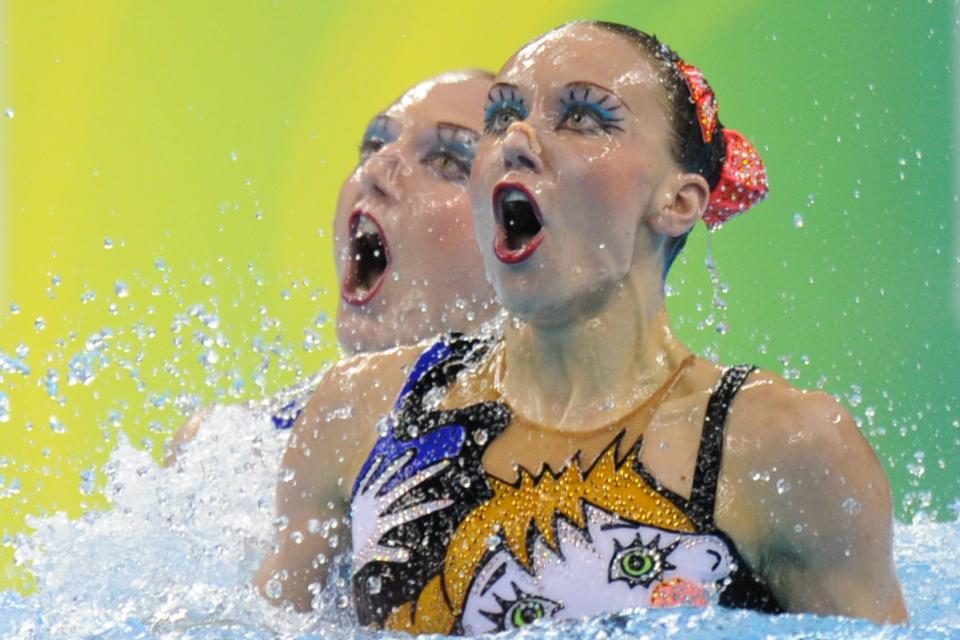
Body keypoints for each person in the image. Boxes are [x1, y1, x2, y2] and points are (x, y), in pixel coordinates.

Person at [258, 22, 907, 632]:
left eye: (583, 117)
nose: (516, 138)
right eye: (501, 115)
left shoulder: (781, 448)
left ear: (678, 202)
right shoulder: (359, 410)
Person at [162, 69, 499, 464]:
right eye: (374, 146)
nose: (374, 171)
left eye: (445, 161)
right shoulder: (227, 451)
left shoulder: (551, 463)